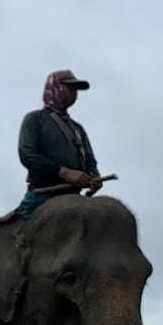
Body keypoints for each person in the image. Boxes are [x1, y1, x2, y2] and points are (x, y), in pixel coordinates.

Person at [16, 69, 101, 219]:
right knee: (18, 231)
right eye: (70, 88)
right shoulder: (35, 119)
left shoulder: (77, 128)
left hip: (74, 195)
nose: (75, 93)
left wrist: (94, 177)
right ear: (55, 88)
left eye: (76, 90)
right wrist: (64, 172)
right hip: (42, 195)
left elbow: (90, 160)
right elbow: (27, 154)